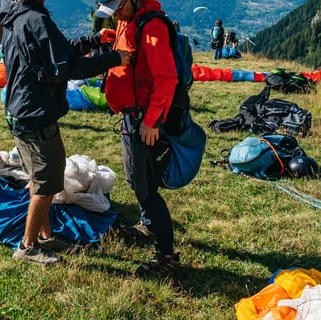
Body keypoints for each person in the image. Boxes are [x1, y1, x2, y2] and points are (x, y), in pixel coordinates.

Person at [0, 0, 130, 265]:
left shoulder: (17, 17)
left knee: (41, 178)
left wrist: (92, 41)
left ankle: (45, 237)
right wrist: (114, 58)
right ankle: (27, 247)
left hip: (20, 110)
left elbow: (54, 51)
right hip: (35, 114)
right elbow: (68, 66)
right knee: (47, 183)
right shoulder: (36, 19)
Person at [96, 0, 183, 278]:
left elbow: (167, 78)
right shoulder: (127, 19)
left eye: (118, 7)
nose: (116, 14)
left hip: (144, 121)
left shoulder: (152, 26)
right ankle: (148, 225)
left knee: (145, 186)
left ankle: (166, 256)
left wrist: (152, 121)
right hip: (132, 117)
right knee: (136, 179)